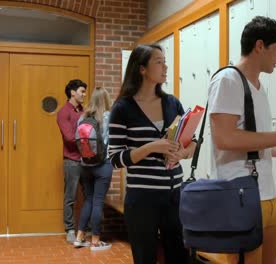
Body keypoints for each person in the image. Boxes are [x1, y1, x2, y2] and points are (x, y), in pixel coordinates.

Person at [208, 16, 276, 264]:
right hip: (239, 195)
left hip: (266, 194)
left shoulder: (258, 87)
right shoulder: (228, 80)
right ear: (259, 46)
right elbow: (224, 138)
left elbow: (252, 140)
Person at [108, 44, 195, 264]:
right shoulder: (123, 108)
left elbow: (192, 143)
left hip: (175, 195)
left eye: (165, 61)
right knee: (145, 257)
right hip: (142, 199)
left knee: (179, 256)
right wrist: (151, 147)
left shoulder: (172, 103)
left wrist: (182, 153)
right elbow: (115, 159)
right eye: (159, 61)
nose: (165, 67)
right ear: (142, 69)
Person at [73, 87, 114, 251]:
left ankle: (79, 237)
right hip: (103, 165)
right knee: (98, 202)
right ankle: (95, 241)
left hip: (85, 166)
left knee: (88, 201)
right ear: (106, 99)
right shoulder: (109, 116)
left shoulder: (82, 117)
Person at [56, 79, 87, 243]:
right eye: (82, 91)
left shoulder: (84, 111)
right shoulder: (63, 112)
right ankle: (69, 230)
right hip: (72, 161)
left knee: (89, 195)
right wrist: (87, 137)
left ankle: (85, 230)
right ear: (73, 92)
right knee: (70, 196)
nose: (84, 95)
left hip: (88, 161)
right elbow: (69, 138)